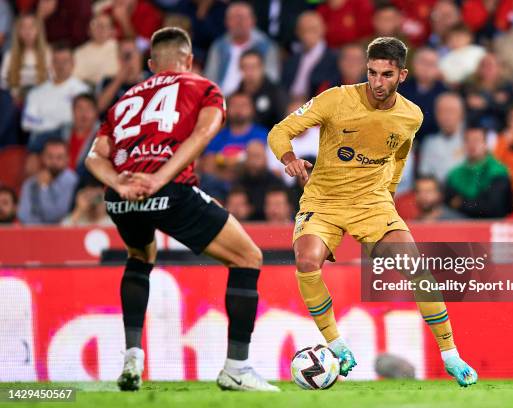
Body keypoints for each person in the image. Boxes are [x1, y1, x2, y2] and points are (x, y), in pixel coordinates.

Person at [268, 37, 477, 387]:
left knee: (415, 268)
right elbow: (280, 131)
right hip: (324, 201)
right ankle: (335, 343)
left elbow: (399, 156)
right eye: (372, 73)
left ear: (403, 75)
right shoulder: (336, 98)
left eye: (387, 74)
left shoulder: (412, 116)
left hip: (373, 204)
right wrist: (289, 159)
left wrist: (389, 195)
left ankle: (450, 354)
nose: (378, 82)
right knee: (306, 261)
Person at [85, 27, 278, 392]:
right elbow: (202, 135)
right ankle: (237, 367)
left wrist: (121, 183)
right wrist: (159, 179)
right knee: (248, 257)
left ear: (151, 64)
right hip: (167, 189)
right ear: (189, 60)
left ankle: (132, 358)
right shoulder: (201, 86)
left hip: (120, 198)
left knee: (140, 254)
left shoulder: (123, 100)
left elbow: (95, 155)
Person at [445, 126, 511, 218]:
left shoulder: (498, 172)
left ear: (486, 144)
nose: (472, 145)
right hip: (461, 225)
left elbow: (493, 208)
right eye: (468, 141)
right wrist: (478, 204)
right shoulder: (455, 174)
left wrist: (461, 203)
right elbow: (448, 202)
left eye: (476, 140)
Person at [18, 138, 78, 224]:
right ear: (43, 157)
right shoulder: (30, 183)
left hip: (61, 234)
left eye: (59, 157)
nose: (54, 161)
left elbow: (56, 215)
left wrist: (44, 188)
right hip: (32, 234)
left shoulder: (73, 181)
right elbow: (23, 215)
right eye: (50, 156)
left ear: (67, 159)